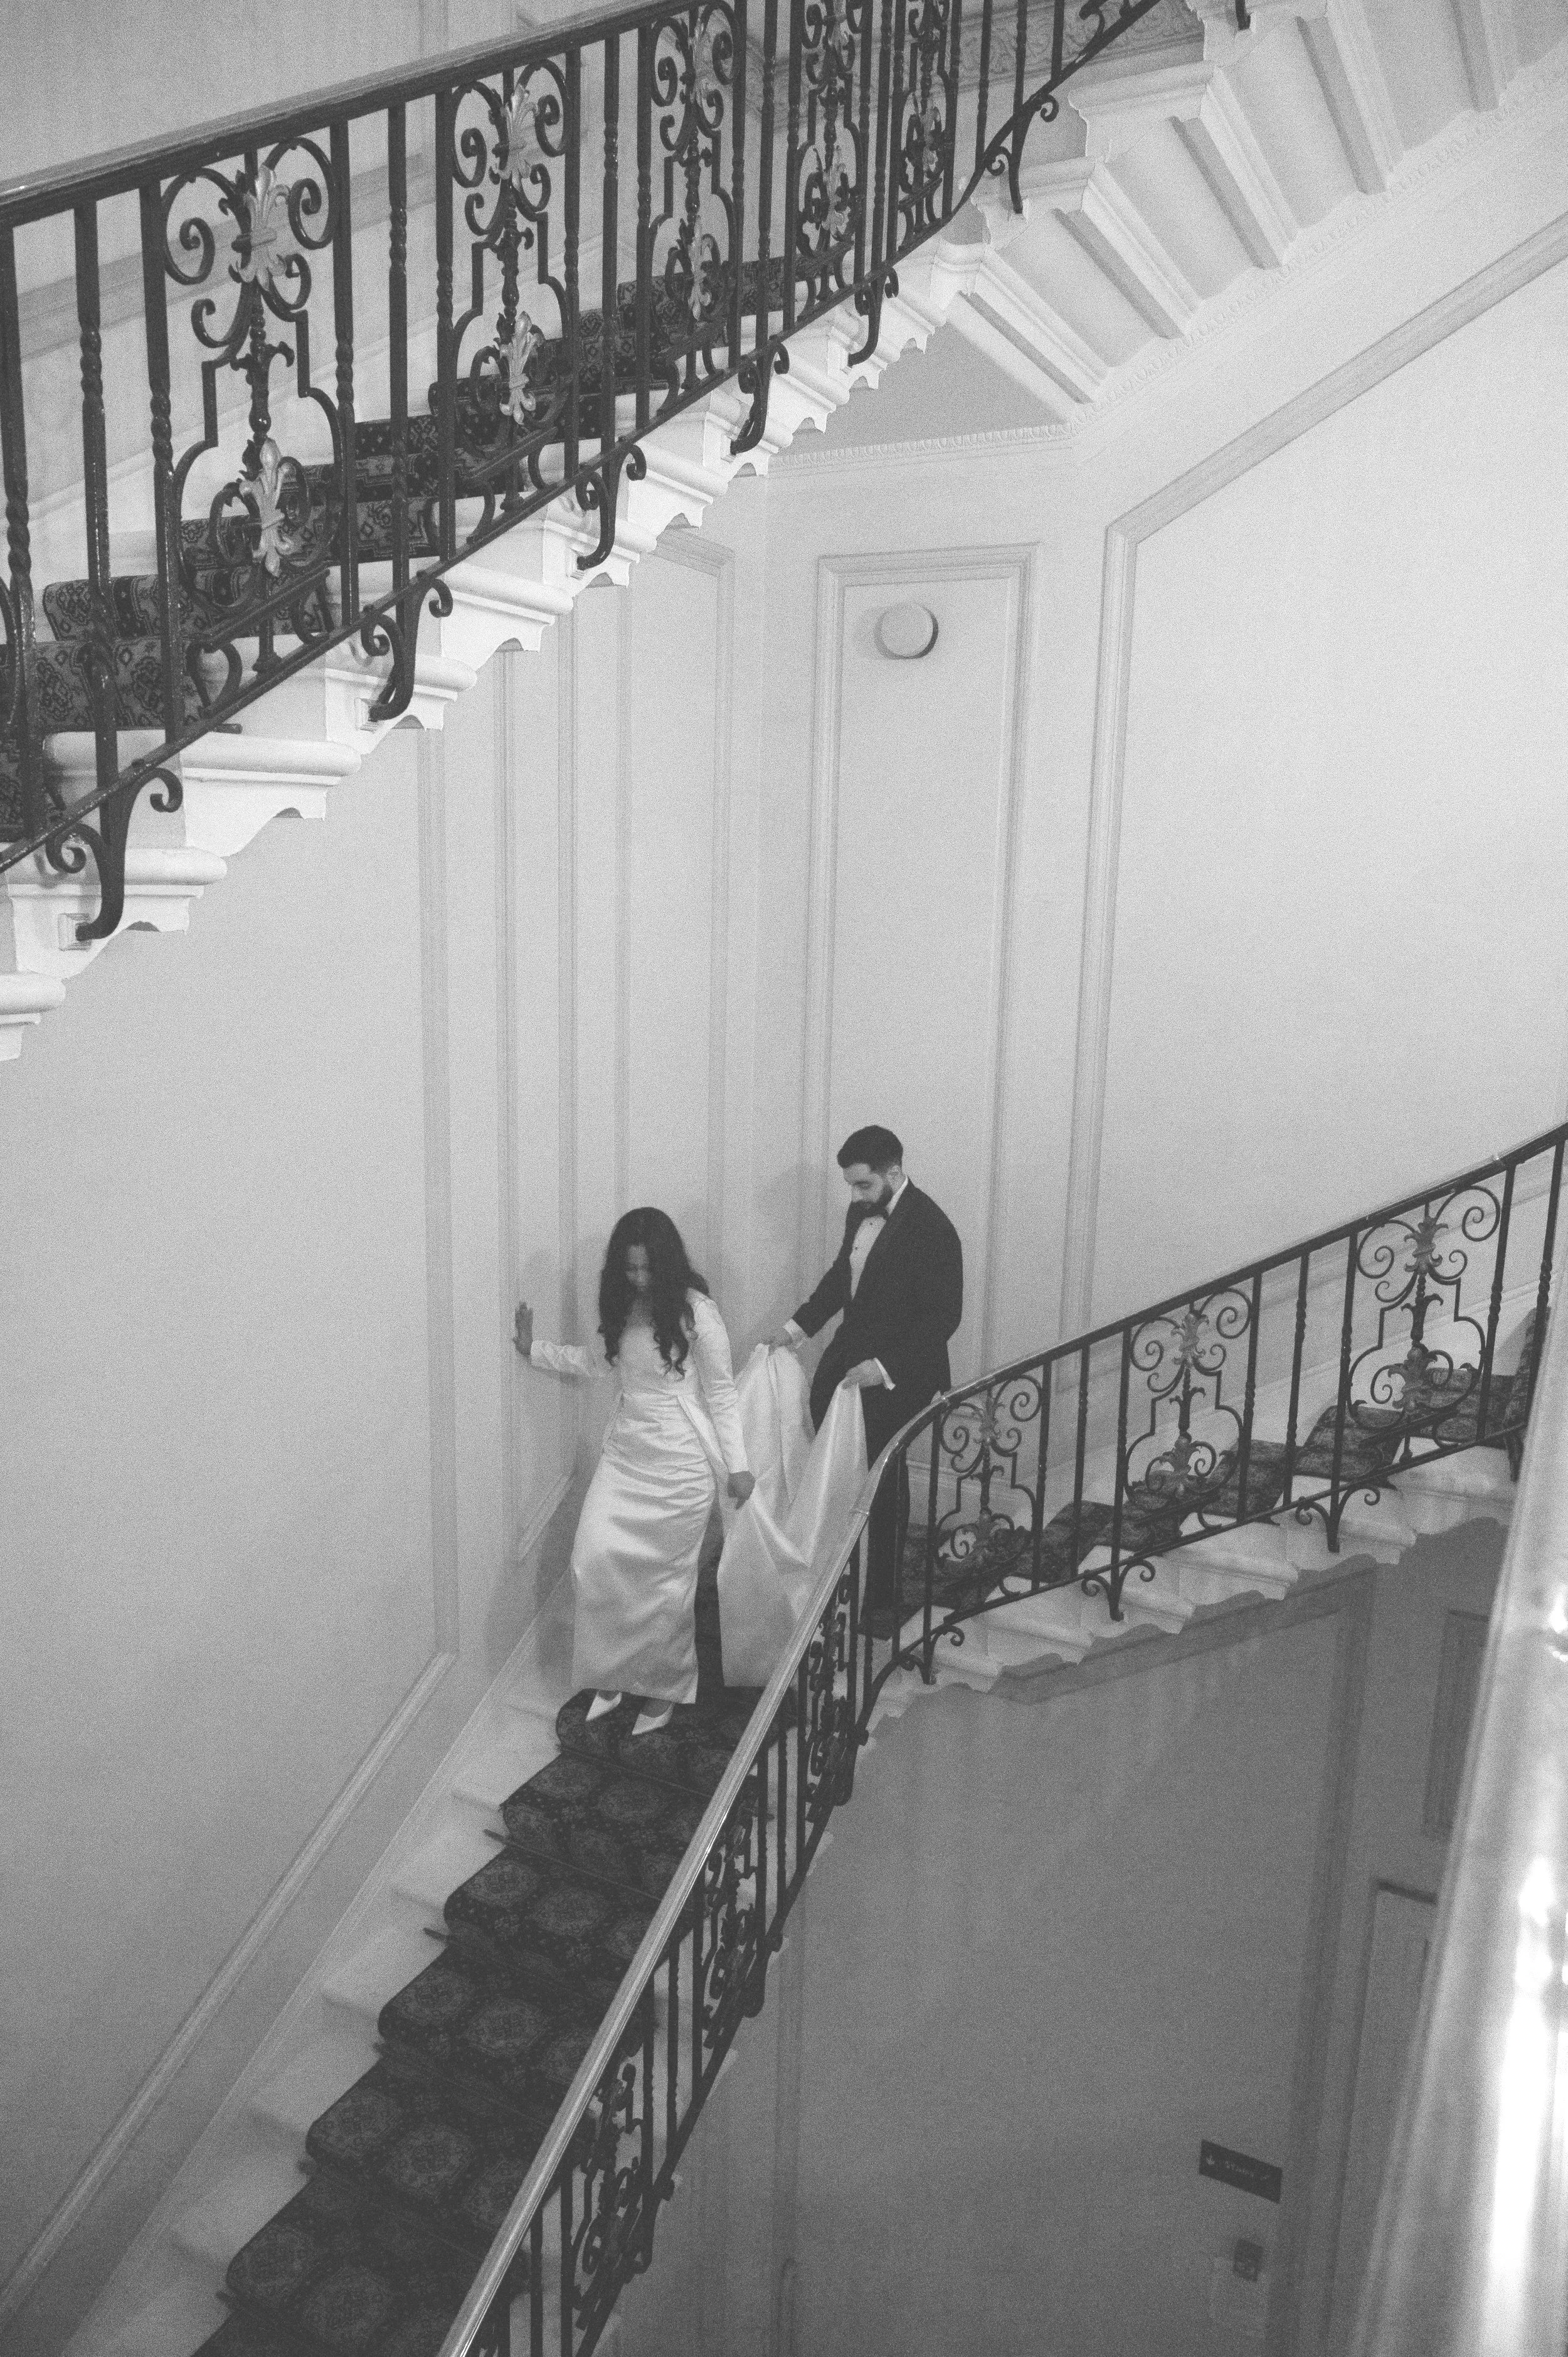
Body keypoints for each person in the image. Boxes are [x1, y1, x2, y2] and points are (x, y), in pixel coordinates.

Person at [514, 1208, 755, 1736]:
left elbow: (720, 1391)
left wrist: (738, 1465)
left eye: (648, 1269)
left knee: (666, 1585)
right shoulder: (622, 1306)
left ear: (667, 1264)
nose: (640, 1279)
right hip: (626, 1458)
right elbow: (596, 1363)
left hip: (683, 1465)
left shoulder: (699, 1314)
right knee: (593, 1559)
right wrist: (534, 1349)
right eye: (630, 1269)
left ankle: (663, 1684)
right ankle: (613, 1674)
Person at [771, 1126, 962, 1615]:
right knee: (843, 1474)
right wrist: (794, 1330)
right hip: (850, 1360)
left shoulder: (933, 1227)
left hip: (902, 1372)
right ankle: (838, 1576)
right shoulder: (861, 1211)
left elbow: (943, 1317)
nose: (855, 1196)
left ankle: (881, 1595)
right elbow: (841, 1279)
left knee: (882, 1480)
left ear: (894, 1172)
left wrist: (883, 1368)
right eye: (853, 1186)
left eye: (864, 1185)